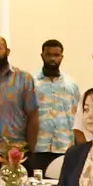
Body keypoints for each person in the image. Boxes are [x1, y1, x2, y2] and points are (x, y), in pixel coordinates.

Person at [28, 39, 78, 175]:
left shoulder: (71, 85)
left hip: (64, 148)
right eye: (49, 54)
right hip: (38, 148)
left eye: (56, 55)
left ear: (62, 57)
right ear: (42, 55)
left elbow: (76, 116)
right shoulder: (31, 82)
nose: (52, 59)